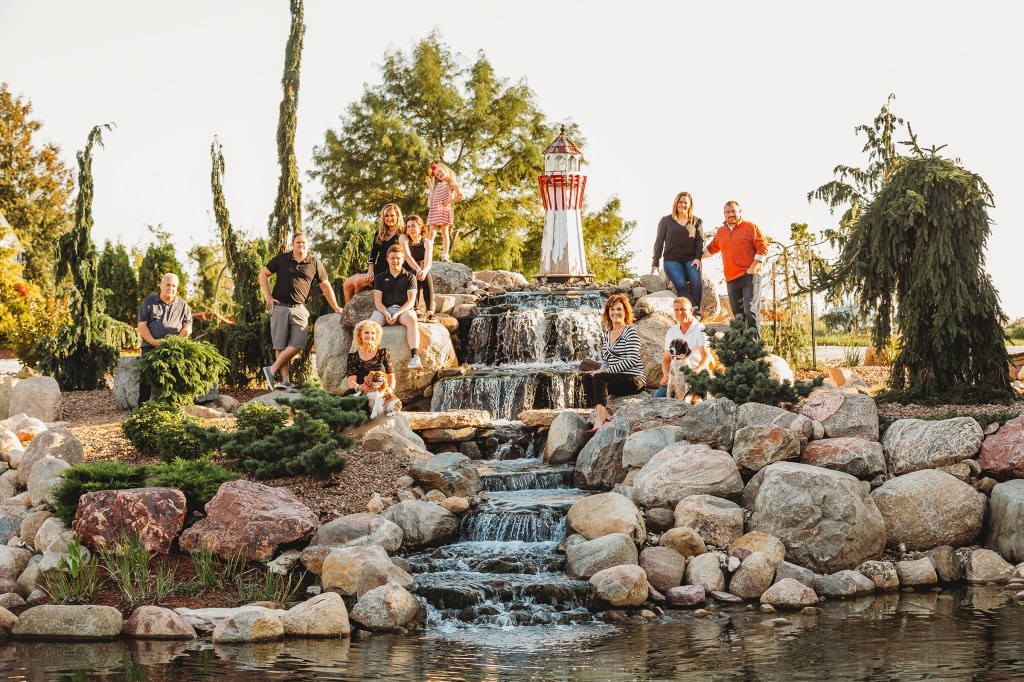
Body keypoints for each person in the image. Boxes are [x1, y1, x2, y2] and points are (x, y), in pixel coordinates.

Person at [258, 232, 343, 390]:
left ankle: (272, 369)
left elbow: (325, 286)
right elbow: (263, 274)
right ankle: (285, 381)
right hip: (279, 307)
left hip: (299, 308)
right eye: (298, 242)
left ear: (308, 244)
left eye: (304, 242)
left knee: (298, 343)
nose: (301, 245)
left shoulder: (314, 262)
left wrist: (336, 307)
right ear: (293, 244)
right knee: (280, 346)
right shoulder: (282, 259)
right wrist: (268, 296)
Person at [702, 200, 769, 339]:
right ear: (724, 214)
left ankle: (755, 347)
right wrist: (693, 257)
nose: (731, 214)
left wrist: (753, 267)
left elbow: (763, 248)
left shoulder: (750, 227)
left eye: (733, 211)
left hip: (750, 276)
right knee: (738, 316)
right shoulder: (721, 232)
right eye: (728, 212)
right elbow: (710, 249)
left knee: (750, 309)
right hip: (731, 279)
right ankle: (742, 346)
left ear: (740, 211)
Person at [583, 294, 646, 430]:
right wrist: (600, 369)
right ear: (608, 313)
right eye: (612, 309)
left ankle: (599, 419)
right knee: (588, 377)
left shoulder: (630, 332)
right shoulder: (608, 333)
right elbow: (606, 360)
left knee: (599, 377)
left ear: (625, 312)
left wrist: (605, 371)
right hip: (616, 377)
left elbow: (632, 360)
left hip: (634, 378)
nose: (615, 312)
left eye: (619, 309)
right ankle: (604, 414)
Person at [137, 273, 193, 402]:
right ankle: (142, 407)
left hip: (174, 347)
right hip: (150, 346)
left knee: (177, 374)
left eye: (174, 286)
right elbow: (141, 325)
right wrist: (154, 342)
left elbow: (187, 327)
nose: (171, 288)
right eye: (168, 284)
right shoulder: (149, 302)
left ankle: (172, 406)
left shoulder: (183, 304)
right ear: (161, 285)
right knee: (146, 375)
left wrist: (174, 342)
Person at [372, 244, 422, 368]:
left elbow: (411, 301)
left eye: (398, 258)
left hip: (403, 311)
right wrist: (386, 313)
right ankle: (371, 359)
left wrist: (397, 313)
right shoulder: (379, 278)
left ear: (403, 259)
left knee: (412, 319)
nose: (395, 261)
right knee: (372, 324)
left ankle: (415, 358)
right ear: (387, 259)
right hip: (384, 310)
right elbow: (378, 302)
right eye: (392, 258)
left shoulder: (410, 277)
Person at [652, 191, 704, 310]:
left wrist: (698, 258)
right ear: (676, 203)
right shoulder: (666, 220)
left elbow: (699, 241)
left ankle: (694, 311)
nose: (682, 205)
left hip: (691, 259)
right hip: (672, 260)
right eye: (680, 202)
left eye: (685, 202)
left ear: (690, 205)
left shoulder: (697, 221)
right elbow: (659, 241)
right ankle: (694, 310)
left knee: (696, 282)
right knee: (681, 285)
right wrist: (655, 261)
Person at [343, 204, 404, 302]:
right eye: (386, 216)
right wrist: (370, 271)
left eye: (392, 215)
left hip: (389, 271)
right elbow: (373, 253)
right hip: (377, 268)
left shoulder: (403, 233)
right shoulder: (380, 232)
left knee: (358, 281)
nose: (389, 218)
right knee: (347, 284)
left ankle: (358, 304)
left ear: (398, 216)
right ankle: (348, 309)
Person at [655, 297, 713, 398]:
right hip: (676, 376)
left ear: (691, 310)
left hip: (697, 374)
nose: (679, 313)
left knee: (695, 403)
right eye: (676, 310)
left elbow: (706, 356)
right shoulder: (671, 331)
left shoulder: (701, 329)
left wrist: (696, 371)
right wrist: (666, 376)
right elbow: (666, 359)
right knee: (657, 399)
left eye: (683, 309)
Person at [426, 161, 464, 263]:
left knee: (444, 232)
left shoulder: (451, 184)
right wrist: (430, 185)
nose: (439, 175)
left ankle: (445, 255)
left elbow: (462, 196)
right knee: (432, 233)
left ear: (445, 169)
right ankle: (427, 254)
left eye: (440, 172)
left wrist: (450, 201)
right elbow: (434, 194)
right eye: (437, 174)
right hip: (435, 209)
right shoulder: (438, 185)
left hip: (444, 209)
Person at [346, 319, 395, 396]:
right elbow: (351, 382)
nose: (370, 336)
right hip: (361, 394)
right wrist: (361, 388)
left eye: (373, 333)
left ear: (376, 336)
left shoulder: (383, 353)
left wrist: (390, 389)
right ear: (360, 335)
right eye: (366, 332)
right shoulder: (353, 357)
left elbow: (391, 377)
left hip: (381, 394)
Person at [400, 214, 435, 320]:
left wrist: (424, 271)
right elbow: (408, 257)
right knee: (413, 275)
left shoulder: (427, 242)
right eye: (408, 226)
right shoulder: (404, 238)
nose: (411, 229)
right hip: (406, 272)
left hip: (420, 272)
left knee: (427, 275)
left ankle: (430, 311)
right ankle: (416, 309)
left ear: (420, 227)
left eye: (413, 226)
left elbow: (428, 262)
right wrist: (418, 269)